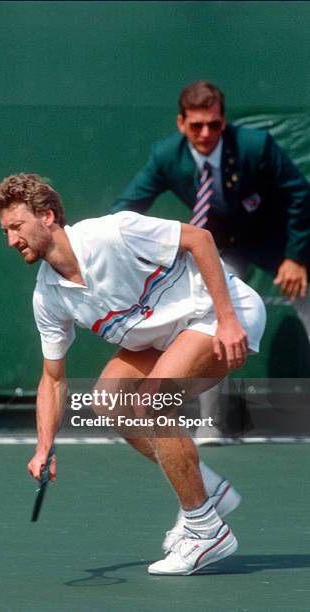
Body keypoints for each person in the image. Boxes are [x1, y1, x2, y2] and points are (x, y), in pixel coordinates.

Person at [0, 172, 266, 575]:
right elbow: (53, 378)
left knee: (151, 404)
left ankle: (207, 530)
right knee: (107, 400)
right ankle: (207, 491)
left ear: (47, 216)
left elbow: (199, 239)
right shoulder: (47, 295)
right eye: (6, 231)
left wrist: (226, 320)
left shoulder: (112, 232)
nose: (12, 240)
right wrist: (44, 446)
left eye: (17, 227)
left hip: (221, 314)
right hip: (166, 335)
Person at [112, 79, 310, 441]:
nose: (205, 133)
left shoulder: (255, 147)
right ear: (181, 123)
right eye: (196, 125)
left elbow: (301, 195)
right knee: (212, 313)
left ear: (224, 122)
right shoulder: (166, 156)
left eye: (214, 125)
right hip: (219, 244)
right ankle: (211, 422)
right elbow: (126, 210)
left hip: (277, 239)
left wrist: (295, 258)